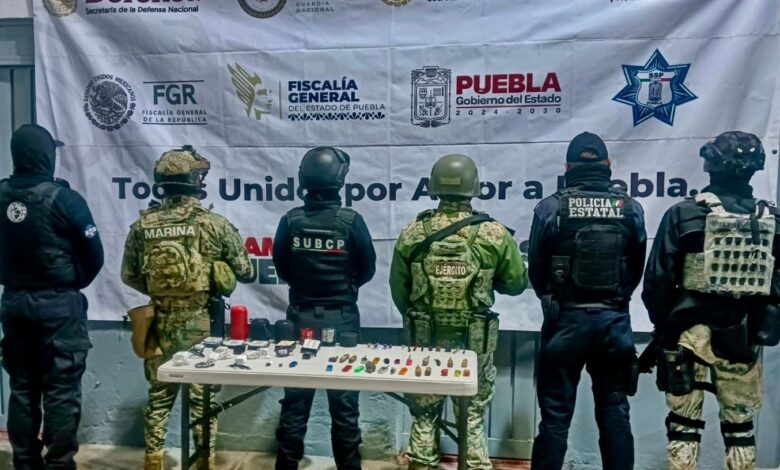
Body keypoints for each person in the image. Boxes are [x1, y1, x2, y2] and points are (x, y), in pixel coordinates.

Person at [643, 131, 780, 470]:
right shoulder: (773, 220)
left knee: (683, 424)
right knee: (740, 427)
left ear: (710, 164)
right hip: (744, 337)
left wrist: (663, 327)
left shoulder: (684, 214)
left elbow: (658, 281)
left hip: (687, 334)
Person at [389, 153, 527, 470]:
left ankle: (421, 463)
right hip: (474, 342)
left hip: (424, 339)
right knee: (472, 415)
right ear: (474, 187)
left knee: (424, 414)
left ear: (434, 186)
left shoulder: (413, 232)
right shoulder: (494, 234)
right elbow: (516, 284)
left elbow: (399, 290)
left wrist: (420, 315)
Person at [121, 145, 253, 470]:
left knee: (159, 398)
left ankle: (153, 461)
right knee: (202, 400)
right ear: (195, 181)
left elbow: (129, 275)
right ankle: (204, 462)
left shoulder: (143, 226)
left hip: (159, 322)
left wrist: (164, 292)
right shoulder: (213, 224)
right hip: (201, 324)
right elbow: (246, 270)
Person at [528, 132, 647, 470]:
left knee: (555, 416)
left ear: (567, 167)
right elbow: (636, 268)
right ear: (608, 165)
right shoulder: (630, 208)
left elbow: (536, 269)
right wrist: (615, 300)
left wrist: (555, 299)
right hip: (613, 324)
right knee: (615, 411)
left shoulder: (551, 207)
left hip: (564, 323)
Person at [0, 124, 104, 469]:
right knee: (61, 391)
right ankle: (59, 465)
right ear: (46, 155)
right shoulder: (64, 199)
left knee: (22, 388)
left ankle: (25, 463)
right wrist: (71, 282)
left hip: (14, 303)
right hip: (58, 307)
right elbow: (94, 256)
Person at [272, 146, 376, 470]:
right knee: (344, 410)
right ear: (340, 181)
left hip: (300, 318)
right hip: (342, 322)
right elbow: (368, 269)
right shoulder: (351, 221)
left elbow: (282, 268)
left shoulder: (290, 221)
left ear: (303, 179)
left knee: (295, 406)